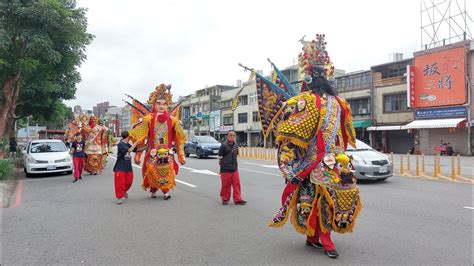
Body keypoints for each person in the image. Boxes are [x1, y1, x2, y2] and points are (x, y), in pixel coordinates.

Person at [268, 34, 362, 259]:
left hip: (331, 162)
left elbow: (343, 135)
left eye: (320, 72)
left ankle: (320, 238)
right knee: (312, 201)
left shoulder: (337, 103)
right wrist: (290, 166)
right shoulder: (312, 102)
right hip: (317, 162)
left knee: (329, 201)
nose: (319, 76)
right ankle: (318, 239)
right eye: (317, 72)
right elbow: (290, 139)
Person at [128, 84, 186, 200]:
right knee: (152, 171)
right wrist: (138, 153)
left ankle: (166, 191)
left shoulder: (173, 120)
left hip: (167, 151)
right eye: (158, 103)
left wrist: (181, 154)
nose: (161, 106)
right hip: (153, 151)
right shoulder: (148, 118)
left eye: (164, 104)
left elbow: (180, 138)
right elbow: (141, 136)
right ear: (154, 104)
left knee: (167, 171)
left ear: (167, 105)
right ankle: (153, 190)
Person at [218, 130, 247, 205]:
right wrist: (222, 163)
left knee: (237, 184)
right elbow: (219, 156)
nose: (232, 137)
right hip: (225, 169)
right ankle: (225, 198)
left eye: (233, 135)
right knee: (226, 185)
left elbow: (235, 155)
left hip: (234, 168)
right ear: (227, 136)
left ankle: (237, 199)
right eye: (230, 135)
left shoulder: (236, 145)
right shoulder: (223, 146)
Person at [113, 131, 139, 204]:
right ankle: (119, 197)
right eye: (130, 137)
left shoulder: (128, 144)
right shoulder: (120, 144)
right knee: (120, 183)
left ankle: (124, 191)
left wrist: (147, 146)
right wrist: (136, 142)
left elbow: (136, 150)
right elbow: (129, 150)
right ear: (128, 137)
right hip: (120, 167)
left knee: (129, 182)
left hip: (128, 167)